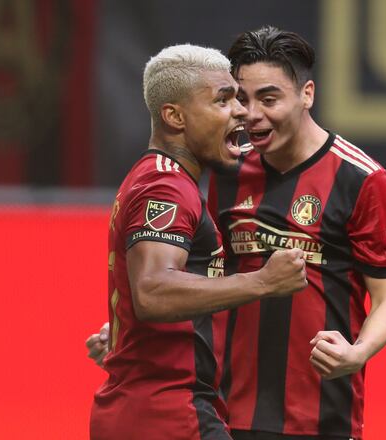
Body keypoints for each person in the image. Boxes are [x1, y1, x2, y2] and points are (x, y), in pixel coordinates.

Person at [87, 27, 386, 440]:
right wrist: (135, 327)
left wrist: (357, 353)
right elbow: (200, 272)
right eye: (239, 98)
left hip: (320, 414)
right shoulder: (228, 168)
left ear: (307, 94)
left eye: (268, 99)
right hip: (226, 408)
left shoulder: (362, 179)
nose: (250, 114)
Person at [89, 44, 308, 440]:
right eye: (223, 101)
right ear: (175, 116)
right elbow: (152, 291)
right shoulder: (165, 187)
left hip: (146, 410)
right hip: (169, 415)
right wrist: (264, 281)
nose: (241, 112)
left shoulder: (159, 178)